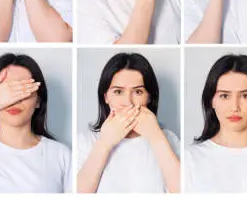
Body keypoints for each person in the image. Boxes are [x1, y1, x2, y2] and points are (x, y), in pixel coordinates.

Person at [0, 53, 71, 193]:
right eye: (7, 91)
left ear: (39, 100)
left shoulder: (60, 155)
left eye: (23, 90)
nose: (14, 100)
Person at [77, 52, 180, 193]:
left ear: (149, 97)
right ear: (106, 96)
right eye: (118, 92)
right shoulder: (85, 141)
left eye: (138, 92)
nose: (128, 102)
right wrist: (105, 143)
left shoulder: (169, 139)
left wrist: (156, 136)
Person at [186, 54, 247, 193]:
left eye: (245, 96)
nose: (235, 107)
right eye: (225, 96)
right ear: (211, 101)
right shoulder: (190, 158)